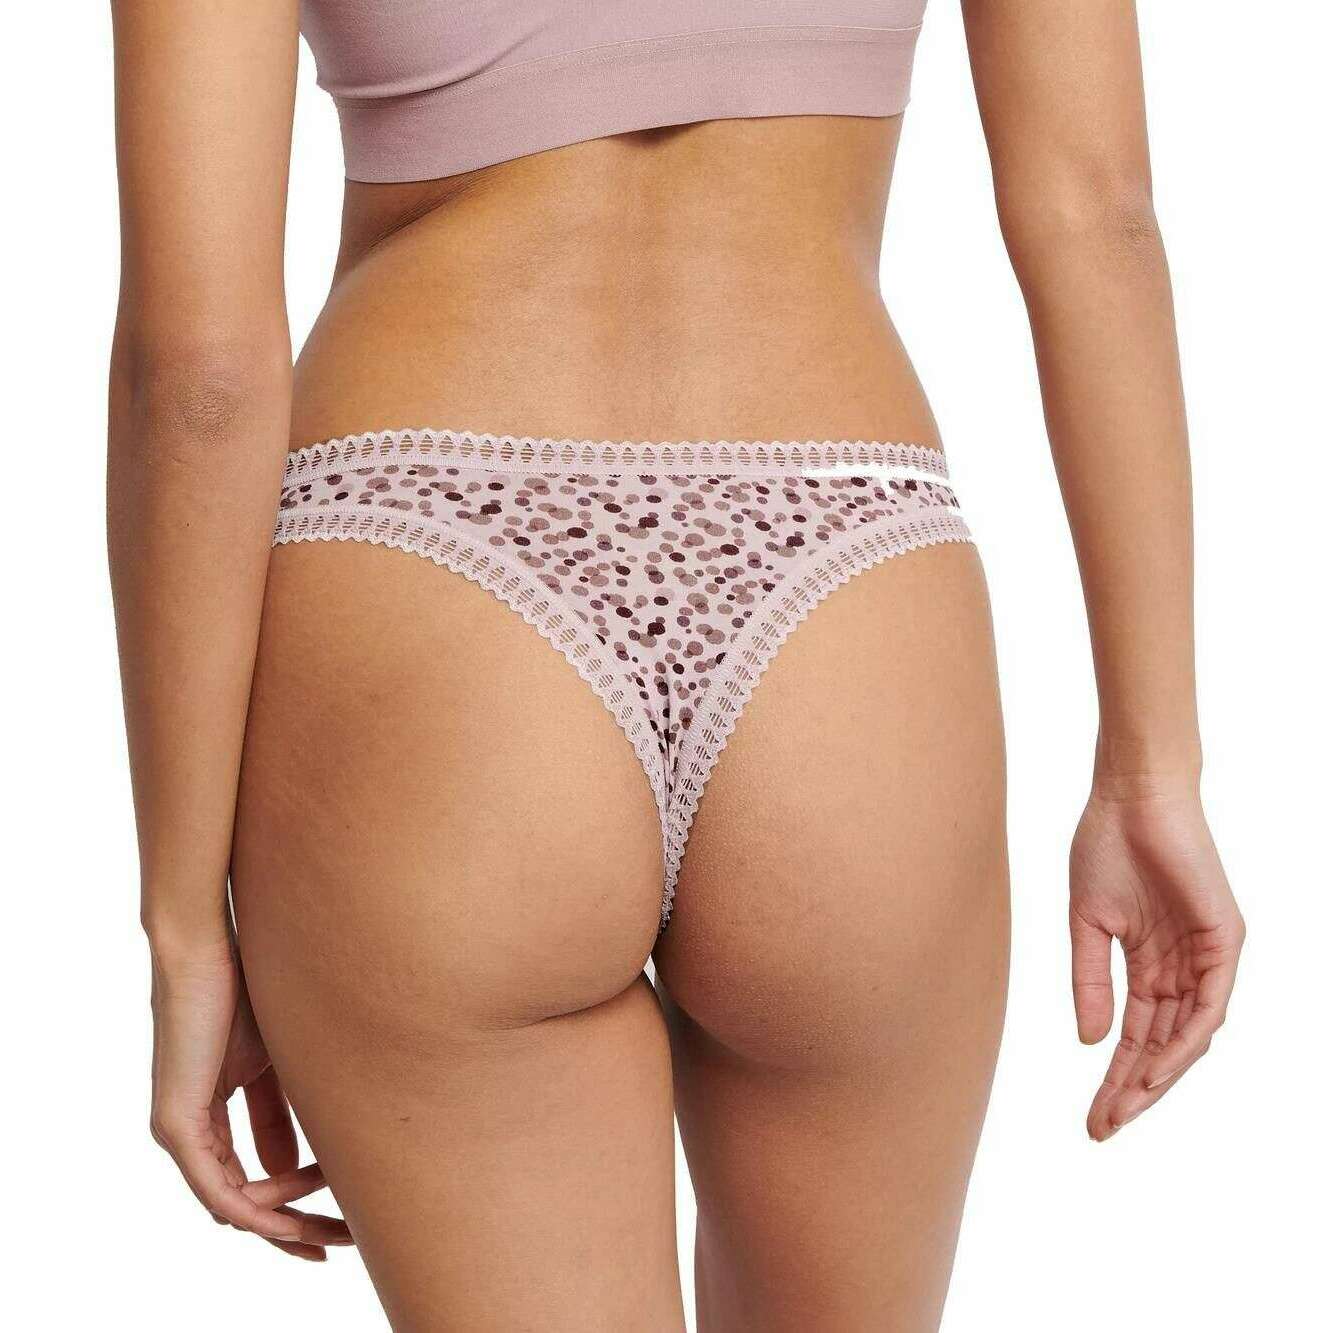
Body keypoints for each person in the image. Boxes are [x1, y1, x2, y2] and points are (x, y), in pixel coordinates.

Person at [107, 2, 1245, 1328]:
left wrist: (183, 922)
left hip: (430, 600)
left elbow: (197, 376)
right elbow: (1096, 215)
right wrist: (1150, 765)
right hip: (845, 582)